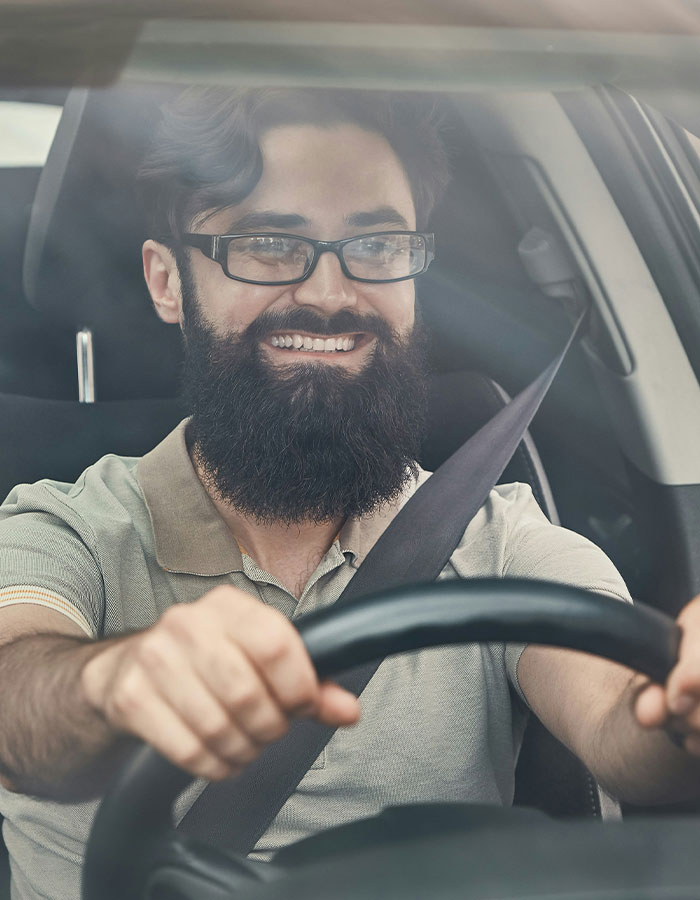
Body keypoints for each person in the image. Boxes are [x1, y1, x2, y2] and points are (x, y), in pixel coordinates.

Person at [0, 86, 699, 900]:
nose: (331, 293)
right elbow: (17, 691)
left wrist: (679, 713)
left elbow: (619, 720)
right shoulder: (66, 526)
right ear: (166, 280)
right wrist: (116, 683)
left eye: (375, 244)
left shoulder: (498, 535)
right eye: (268, 243)